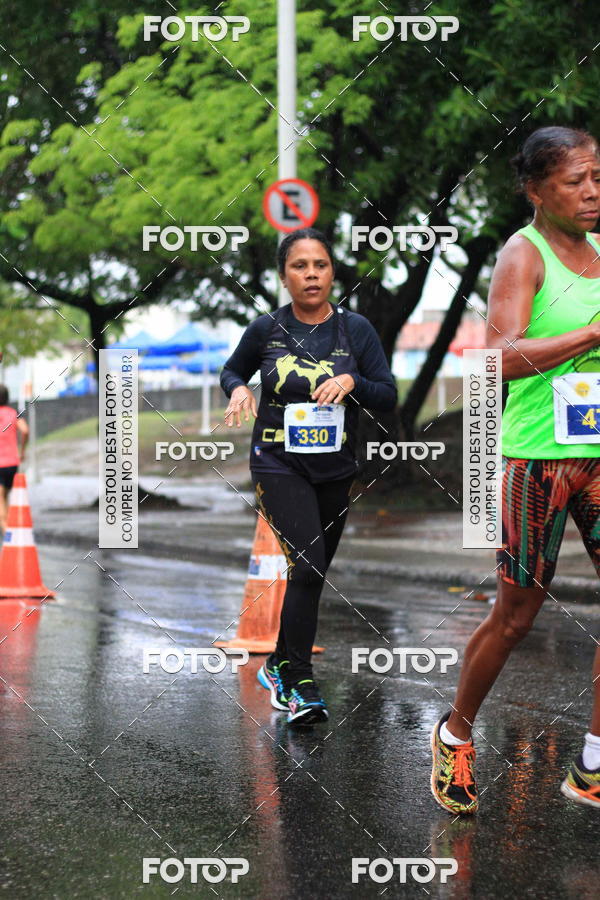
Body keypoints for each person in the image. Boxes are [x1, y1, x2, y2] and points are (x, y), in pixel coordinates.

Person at [431, 126, 600, 814]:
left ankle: (592, 763)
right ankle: (455, 732)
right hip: (537, 460)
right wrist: (591, 332)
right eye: (574, 182)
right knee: (516, 616)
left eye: (597, 178)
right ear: (535, 190)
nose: (591, 193)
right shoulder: (521, 255)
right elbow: (495, 359)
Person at [221, 227, 397, 725]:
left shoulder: (355, 330)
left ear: (332, 272)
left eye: (319, 265)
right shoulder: (266, 330)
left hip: (335, 468)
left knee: (310, 574)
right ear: (284, 277)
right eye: (300, 266)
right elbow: (231, 371)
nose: (311, 274)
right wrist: (238, 390)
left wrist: (352, 381)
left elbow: (386, 393)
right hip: (277, 462)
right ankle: (298, 681)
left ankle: (278, 663)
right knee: (311, 563)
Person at [0, 384, 28, 535]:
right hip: (12, 463)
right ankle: (9, 527)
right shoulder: (14, 413)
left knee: (0, 497)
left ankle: (7, 531)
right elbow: (25, 430)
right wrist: (22, 451)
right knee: (5, 495)